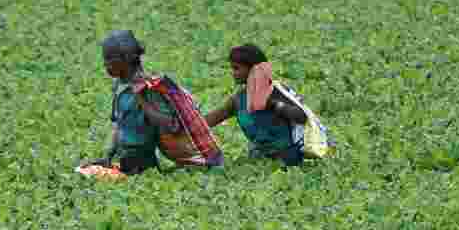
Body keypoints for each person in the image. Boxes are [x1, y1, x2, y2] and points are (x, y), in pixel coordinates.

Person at [82, 30, 183, 175]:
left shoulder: (150, 88)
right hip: (123, 156)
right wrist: (108, 157)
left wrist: (141, 99)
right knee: (84, 172)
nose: (105, 64)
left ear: (124, 60)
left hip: (143, 160)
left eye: (108, 59)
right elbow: (119, 124)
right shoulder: (119, 85)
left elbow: (170, 124)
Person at [204, 44, 308, 166]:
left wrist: (273, 104)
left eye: (236, 68)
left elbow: (302, 116)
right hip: (259, 158)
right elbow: (210, 120)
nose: (233, 73)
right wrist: (185, 127)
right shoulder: (238, 100)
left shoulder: (277, 91)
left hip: (288, 157)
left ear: (254, 69)